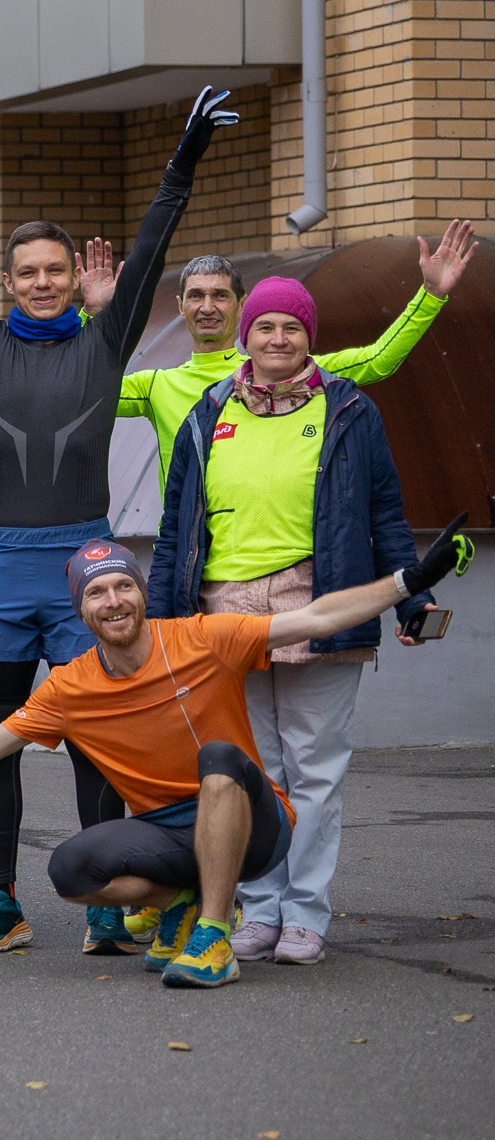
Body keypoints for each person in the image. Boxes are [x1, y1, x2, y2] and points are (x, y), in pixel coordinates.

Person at [0, 73, 232, 954]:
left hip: (89, 566)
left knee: (99, 739)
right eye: (27, 272)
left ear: (79, 276)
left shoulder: (105, 341)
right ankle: (0, 898)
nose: (41, 283)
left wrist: (184, 158)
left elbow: (156, 242)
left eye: (55, 270)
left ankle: (108, 903)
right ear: (7, 281)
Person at [0, 534, 470, 989]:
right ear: (83, 610)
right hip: (168, 832)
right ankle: (185, 899)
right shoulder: (70, 685)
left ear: (140, 592)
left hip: (252, 817)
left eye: (124, 585)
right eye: (98, 593)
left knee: (219, 754)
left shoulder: (202, 636)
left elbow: (315, 616)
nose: (114, 600)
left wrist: (409, 581)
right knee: (71, 868)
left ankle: (214, 934)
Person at [147, 276, 446, 966]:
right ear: (245, 337)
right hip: (225, 611)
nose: (277, 338)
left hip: (320, 601)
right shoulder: (207, 410)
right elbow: (175, 531)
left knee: (315, 769)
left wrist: (411, 598)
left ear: (311, 337)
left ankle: (306, 914)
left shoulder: (349, 409)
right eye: (265, 327)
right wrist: (165, 625)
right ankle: (261, 908)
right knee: (251, 769)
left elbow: (384, 515)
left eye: (292, 327)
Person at [111, 223, 473, 478]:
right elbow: (73, 390)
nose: (207, 307)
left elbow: (377, 359)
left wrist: (431, 294)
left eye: (220, 295)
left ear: (242, 304)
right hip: (184, 563)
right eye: (196, 296)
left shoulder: (286, 371)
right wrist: (91, 315)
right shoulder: (155, 385)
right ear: (180, 307)